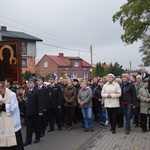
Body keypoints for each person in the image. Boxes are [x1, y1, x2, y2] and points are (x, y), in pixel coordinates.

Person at [0, 83, 24, 150]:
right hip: (3, 122)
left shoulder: (12, 95)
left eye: (1, 91)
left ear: (4, 88)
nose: (0, 93)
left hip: (12, 122)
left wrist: (2, 105)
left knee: (16, 143)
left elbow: (13, 108)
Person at [22, 78, 44, 146]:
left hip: (35, 111)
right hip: (28, 112)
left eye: (30, 83)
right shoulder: (26, 91)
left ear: (34, 84)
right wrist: (22, 110)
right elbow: (24, 101)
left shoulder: (38, 91)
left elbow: (40, 102)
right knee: (29, 127)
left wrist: (40, 111)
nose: (29, 84)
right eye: (28, 82)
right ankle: (28, 140)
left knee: (37, 125)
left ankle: (37, 137)